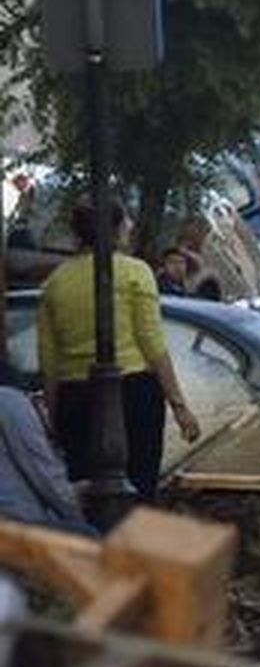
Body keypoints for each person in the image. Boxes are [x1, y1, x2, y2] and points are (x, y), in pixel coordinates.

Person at [36, 202, 201, 509]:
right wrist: (179, 405)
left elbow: (50, 362)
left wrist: (55, 419)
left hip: (76, 400)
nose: (129, 227)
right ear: (114, 229)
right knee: (137, 491)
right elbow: (152, 343)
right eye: (125, 223)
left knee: (86, 496)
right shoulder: (135, 272)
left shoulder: (55, 283)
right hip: (133, 395)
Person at [0, 379, 90, 536]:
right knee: (89, 535)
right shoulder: (11, 403)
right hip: (17, 526)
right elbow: (46, 479)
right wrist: (77, 515)